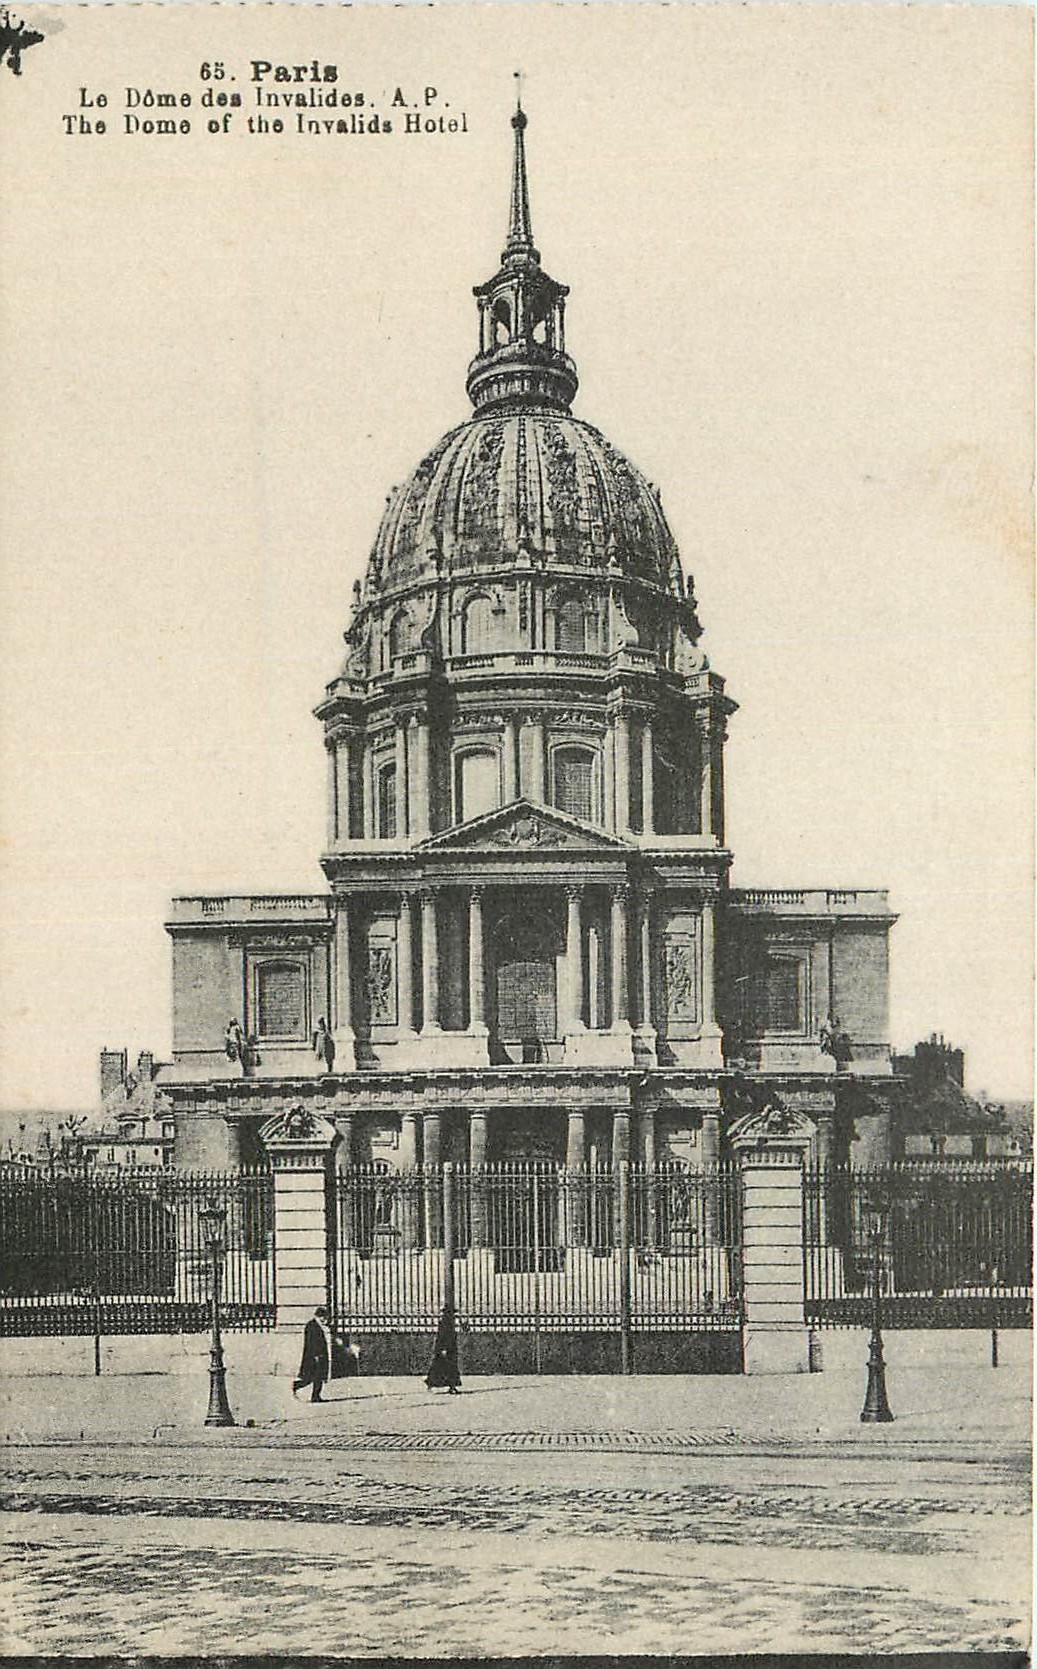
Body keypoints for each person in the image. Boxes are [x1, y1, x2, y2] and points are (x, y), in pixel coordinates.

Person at [293, 1304, 333, 1403]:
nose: (324, 1319)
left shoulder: (319, 1325)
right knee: (309, 1378)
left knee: (318, 1377)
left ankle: (316, 1396)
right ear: (317, 1316)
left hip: (320, 1355)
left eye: (325, 1317)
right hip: (314, 1356)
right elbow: (311, 1343)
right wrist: (316, 1355)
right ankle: (295, 1385)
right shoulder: (311, 1326)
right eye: (323, 1317)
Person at [425, 1302, 461, 1393]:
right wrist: (443, 1348)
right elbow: (443, 1336)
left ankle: (451, 1386)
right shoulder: (446, 1322)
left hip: (448, 1348)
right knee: (445, 1367)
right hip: (446, 1348)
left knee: (444, 1367)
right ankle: (449, 1386)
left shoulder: (448, 1322)